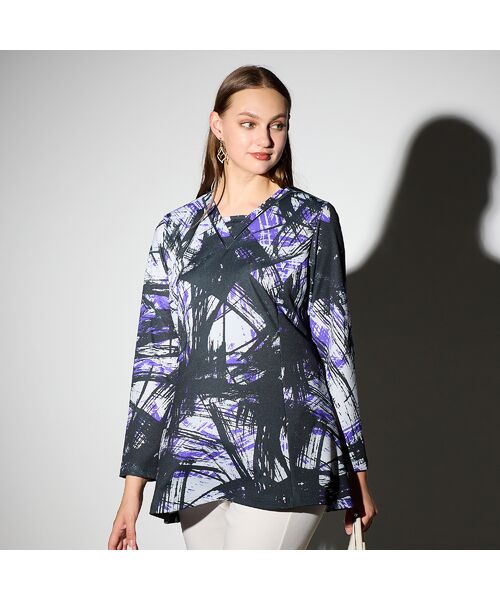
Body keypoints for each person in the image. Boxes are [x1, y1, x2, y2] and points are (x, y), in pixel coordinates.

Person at [108, 64, 378, 550]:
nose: (266, 139)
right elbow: (155, 361)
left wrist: (357, 469)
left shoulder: (311, 219)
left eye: (278, 124)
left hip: (290, 442)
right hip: (195, 449)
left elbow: (335, 347)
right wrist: (132, 491)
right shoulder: (176, 230)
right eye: (249, 123)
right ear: (218, 126)